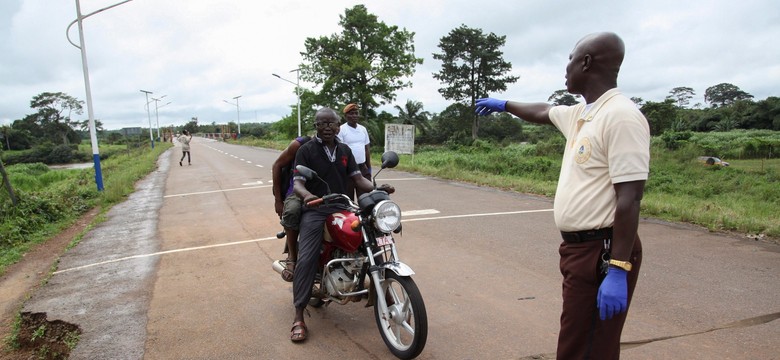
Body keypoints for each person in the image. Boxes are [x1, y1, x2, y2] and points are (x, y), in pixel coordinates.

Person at [475, 32, 650, 359]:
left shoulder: (621, 116)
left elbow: (630, 199)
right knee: (586, 343)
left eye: (570, 58)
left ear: (586, 62)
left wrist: (617, 268)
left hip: (603, 250)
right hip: (580, 249)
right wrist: (505, 104)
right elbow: (543, 111)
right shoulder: (583, 114)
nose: (565, 67)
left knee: (585, 348)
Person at [289, 107, 389, 342]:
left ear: (338, 126)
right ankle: (298, 315)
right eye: (321, 124)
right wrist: (307, 197)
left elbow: (357, 178)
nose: (326, 128)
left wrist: (376, 188)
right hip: (315, 208)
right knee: (307, 257)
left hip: (342, 206)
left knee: (371, 241)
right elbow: (299, 183)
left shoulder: (344, 149)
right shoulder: (306, 150)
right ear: (315, 126)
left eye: (331, 124)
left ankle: (386, 290)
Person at [271, 135, 313, 282]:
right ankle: (292, 257)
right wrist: (278, 200)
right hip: (296, 191)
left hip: (323, 191)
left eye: (333, 124)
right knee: (292, 211)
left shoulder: (338, 146)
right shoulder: (300, 144)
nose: (329, 128)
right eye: (324, 123)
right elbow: (277, 165)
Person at [337, 103, 372, 199]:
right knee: (348, 198)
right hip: (348, 169)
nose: (354, 116)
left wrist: (369, 168)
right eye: (351, 113)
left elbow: (366, 149)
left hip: (362, 167)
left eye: (356, 113)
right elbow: (339, 151)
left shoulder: (363, 129)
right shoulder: (341, 130)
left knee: (366, 198)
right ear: (346, 116)